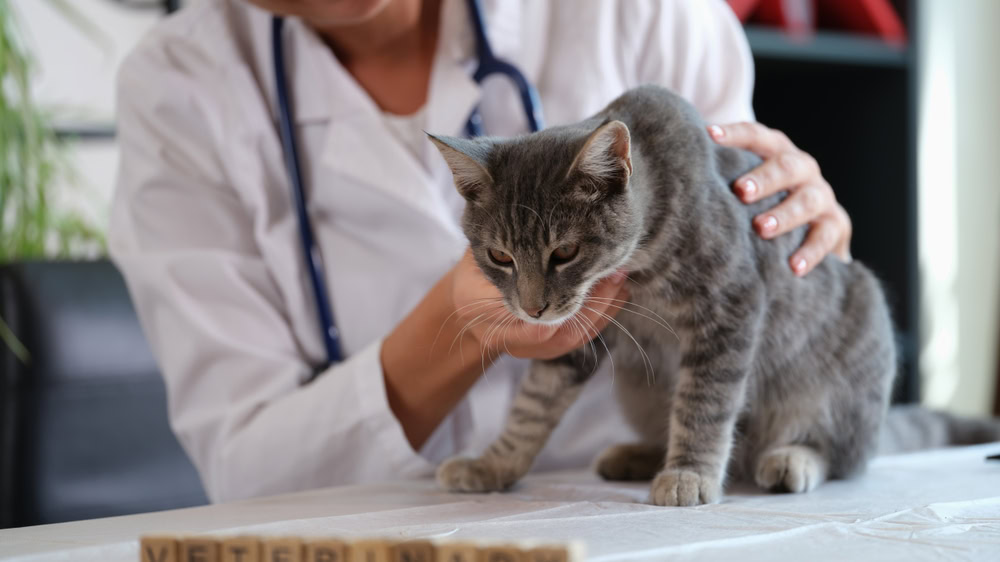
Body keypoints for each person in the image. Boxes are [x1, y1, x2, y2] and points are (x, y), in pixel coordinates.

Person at [110, 0, 853, 503]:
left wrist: (802, 231)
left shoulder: (642, 10)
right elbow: (248, 476)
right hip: (371, 524)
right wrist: (458, 320)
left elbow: (739, 292)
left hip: (629, 506)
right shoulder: (178, 85)